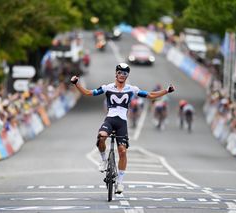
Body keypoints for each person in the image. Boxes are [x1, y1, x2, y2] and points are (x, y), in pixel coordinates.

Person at [70, 63, 175, 194]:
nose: (122, 75)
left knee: (122, 151)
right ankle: (103, 160)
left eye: (125, 73)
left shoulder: (132, 89)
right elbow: (88, 93)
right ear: (116, 73)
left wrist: (166, 91)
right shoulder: (107, 87)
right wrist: (76, 84)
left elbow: (150, 95)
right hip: (110, 120)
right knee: (101, 136)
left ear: (127, 76)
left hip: (122, 123)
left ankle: (120, 182)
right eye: (120, 72)